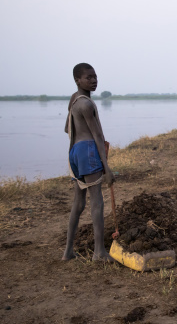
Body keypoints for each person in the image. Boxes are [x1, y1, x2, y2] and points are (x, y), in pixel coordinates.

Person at [62, 63, 115, 262]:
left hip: (75, 152)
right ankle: (99, 252)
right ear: (78, 80)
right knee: (97, 202)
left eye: (95, 77)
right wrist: (107, 169)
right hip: (87, 150)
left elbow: (68, 129)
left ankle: (68, 252)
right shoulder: (87, 104)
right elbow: (98, 136)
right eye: (88, 77)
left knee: (78, 202)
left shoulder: (74, 100)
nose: (93, 81)